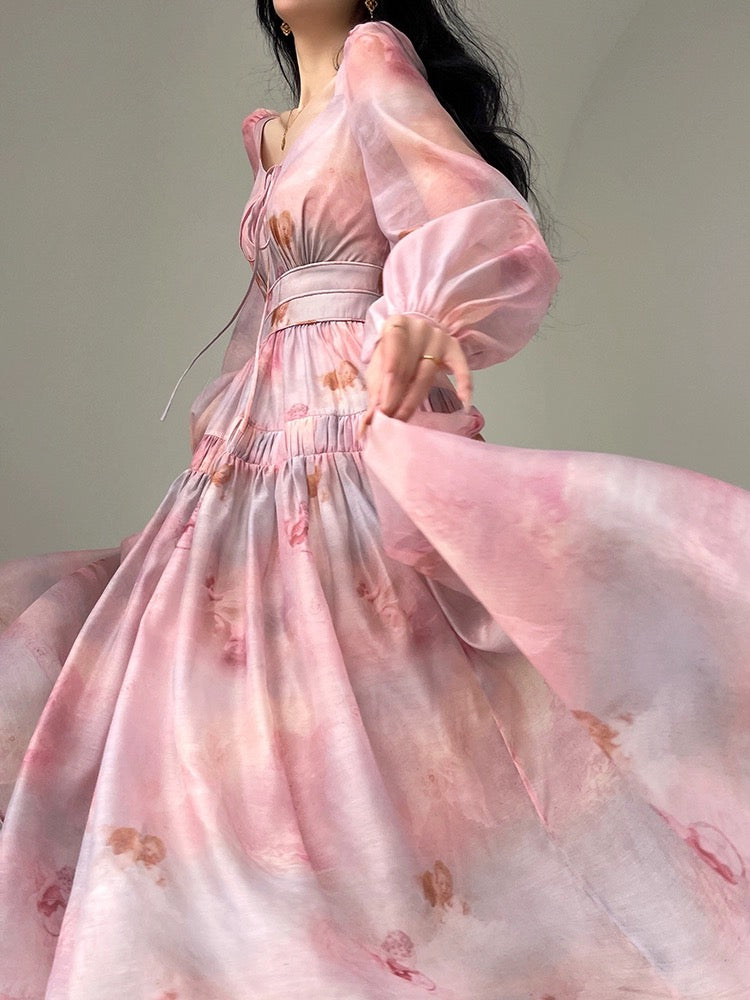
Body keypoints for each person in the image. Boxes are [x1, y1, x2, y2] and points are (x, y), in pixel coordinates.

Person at [1, 2, 749, 997]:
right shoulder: (271, 135)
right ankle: (253, 928)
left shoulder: (372, 57)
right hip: (253, 442)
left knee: (370, 676)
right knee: (204, 691)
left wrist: (428, 316)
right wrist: (223, 423)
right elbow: (269, 311)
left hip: (347, 416)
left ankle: (401, 918)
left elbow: (473, 215)